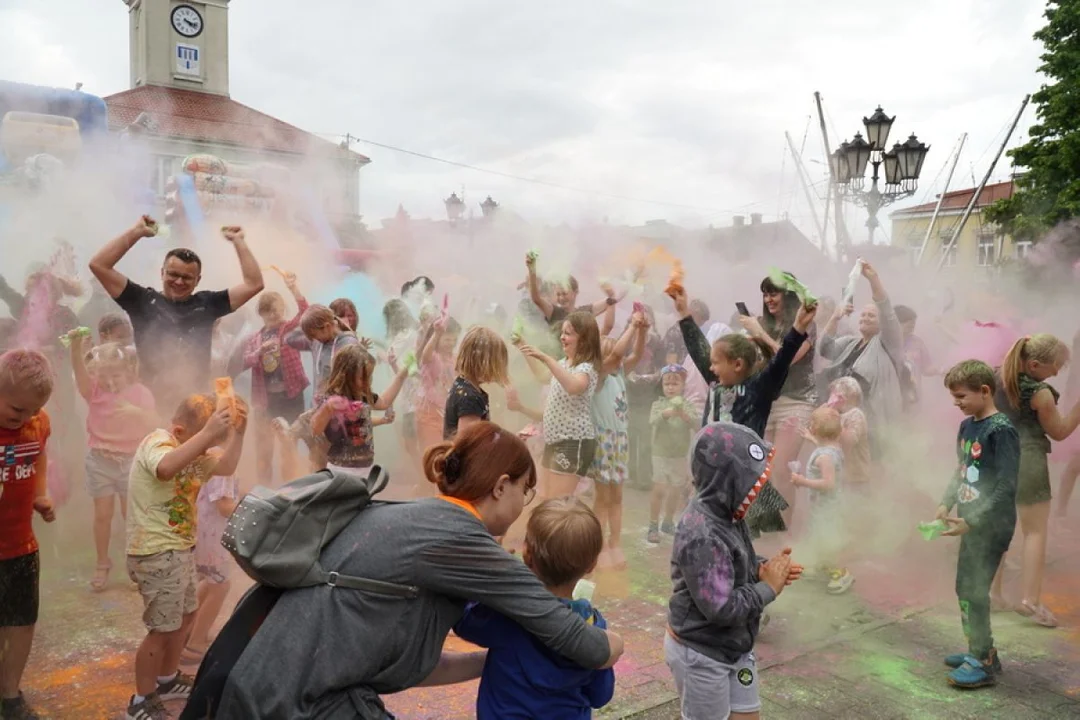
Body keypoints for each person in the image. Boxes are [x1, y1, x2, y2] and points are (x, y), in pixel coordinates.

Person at [215, 421, 622, 719]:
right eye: (524, 490)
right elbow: (587, 646)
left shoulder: (421, 516)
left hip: (263, 686)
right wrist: (614, 641)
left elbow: (412, 664)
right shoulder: (463, 539)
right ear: (501, 486)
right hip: (297, 703)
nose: (523, 504)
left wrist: (503, 659)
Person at [665, 421, 801, 720]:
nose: (759, 490)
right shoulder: (701, 534)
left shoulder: (728, 514)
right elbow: (722, 608)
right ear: (727, 481)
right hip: (701, 652)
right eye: (752, 482)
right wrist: (767, 589)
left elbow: (734, 563)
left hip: (733, 646)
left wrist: (763, 569)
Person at [125, 395, 247, 720]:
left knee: (186, 617)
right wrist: (206, 435)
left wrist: (239, 433)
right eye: (203, 442)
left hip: (179, 551)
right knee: (162, 628)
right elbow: (165, 469)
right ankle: (140, 699)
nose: (206, 453)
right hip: (153, 552)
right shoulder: (158, 441)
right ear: (180, 430)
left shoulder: (196, 453)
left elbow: (227, 466)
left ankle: (166, 679)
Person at [671, 285, 816, 536]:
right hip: (711, 476)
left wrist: (799, 328)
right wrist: (684, 312)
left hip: (742, 481)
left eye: (716, 363)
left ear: (737, 364)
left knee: (738, 535)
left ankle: (744, 566)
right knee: (706, 529)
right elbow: (698, 348)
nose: (711, 368)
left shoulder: (758, 390)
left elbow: (780, 362)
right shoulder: (717, 383)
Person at [453, 496, 614, 719]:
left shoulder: (508, 612)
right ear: (591, 565)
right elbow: (600, 695)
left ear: (527, 554)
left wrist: (487, 571)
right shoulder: (594, 628)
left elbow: (463, 621)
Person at [88, 217, 264, 411]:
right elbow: (99, 265)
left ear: (198, 280)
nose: (179, 282)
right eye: (173, 274)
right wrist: (136, 232)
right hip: (149, 404)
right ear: (162, 273)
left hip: (195, 405)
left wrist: (239, 242)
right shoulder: (142, 301)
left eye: (187, 277)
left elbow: (253, 284)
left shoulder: (208, 304)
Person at [935, 360, 1020, 688]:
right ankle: (980, 649)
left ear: (985, 391)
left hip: (991, 525)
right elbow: (961, 470)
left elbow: (1006, 486)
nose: (956, 403)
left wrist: (972, 519)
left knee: (974, 590)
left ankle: (983, 663)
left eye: (961, 396)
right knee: (964, 588)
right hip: (970, 522)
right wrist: (946, 501)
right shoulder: (967, 426)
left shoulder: (1002, 430)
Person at [994, 334, 1080, 627]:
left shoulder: (996, 378)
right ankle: (1030, 599)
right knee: (1034, 532)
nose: (1057, 373)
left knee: (999, 528)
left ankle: (993, 594)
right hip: (1027, 460)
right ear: (1033, 364)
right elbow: (1059, 430)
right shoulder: (1039, 393)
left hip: (995, 458)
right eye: (1055, 367)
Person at [68, 333, 156, 592]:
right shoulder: (93, 391)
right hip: (100, 462)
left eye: (115, 376)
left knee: (132, 516)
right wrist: (75, 348)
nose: (109, 382)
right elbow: (78, 370)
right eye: (103, 377)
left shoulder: (140, 393)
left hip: (131, 462)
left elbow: (155, 421)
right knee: (103, 515)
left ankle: (135, 564)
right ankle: (102, 562)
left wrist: (136, 412)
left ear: (128, 371)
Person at [0, 350, 56, 720]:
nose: (26, 419)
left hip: (21, 546)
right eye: (16, 411)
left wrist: (39, 495)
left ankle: (10, 695)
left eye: (33, 411)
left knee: (21, 622)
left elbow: (38, 457)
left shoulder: (38, 423)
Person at [739, 274, 817, 525]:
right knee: (762, 470)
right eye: (765, 294)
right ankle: (765, 527)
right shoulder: (763, 322)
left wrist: (760, 333)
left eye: (774, 293)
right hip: (767, 403)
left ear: (788, 295)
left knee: (781, 469)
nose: (769, 299)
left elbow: (788, 359)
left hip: (797, 401)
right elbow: (762, 364)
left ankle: (784, 530)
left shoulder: (805, 323)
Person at [518, 311, 603, 499]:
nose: (562, 337)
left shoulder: (586, 367)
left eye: (568, 333)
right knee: (546, 497)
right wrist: (523, 348)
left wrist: (546, 359)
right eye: (562, 333)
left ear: (585, 338)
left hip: (573, 442)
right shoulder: (564, 363)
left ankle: (570, 528)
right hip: (554, 440)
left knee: (558, 501)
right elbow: (542, 376)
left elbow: (574, 387)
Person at [589, 310, 648, 569]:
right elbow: (618, 355)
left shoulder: (618, 374)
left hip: (620, 440)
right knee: (602, 497)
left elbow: (634, 355)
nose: (617, 359)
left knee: (617, 496)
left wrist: (643, 331)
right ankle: (598, 546)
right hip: (603, 440)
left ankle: (615, 543)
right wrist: (632, 326)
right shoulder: (597, 377)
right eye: (611, 355)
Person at [818, 261, 905, 426]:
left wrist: (874, 280)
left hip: (872, 419)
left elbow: (886, 311)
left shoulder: (888, 343)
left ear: (882, 323)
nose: (864, 317)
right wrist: (835, 317)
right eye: (863, 314)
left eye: (871, 316)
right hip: (840, 415)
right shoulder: (850, 342)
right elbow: (825, 349)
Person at [241, 275, 309, 482]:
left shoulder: (288, 329)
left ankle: (291, 485)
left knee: (290, 443)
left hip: (291, 395)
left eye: (277, 309)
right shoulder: (255, 338)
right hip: (265, 400)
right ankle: (264, 490)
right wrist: (260, 351)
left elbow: (306, 312)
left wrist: (294, 288)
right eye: (269, 310)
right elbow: (245, 361)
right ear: (261, 313)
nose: (274, 314)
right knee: (264, 448)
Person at [309, 345, 408, 476]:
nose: (367, 383)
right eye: (363, 378)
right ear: (346, 374)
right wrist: (327, 408)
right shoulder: (332, 399)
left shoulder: (363, 395)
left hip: (366, 466)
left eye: (370, 377)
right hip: (341, 468)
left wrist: (400, 378)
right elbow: (315, 429)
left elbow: (383, 403)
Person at [791, 406, 852, 594]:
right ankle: (822, 566)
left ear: (815, 428)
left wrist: (803, 481)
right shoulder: (832, 448)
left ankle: (841, 574)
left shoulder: (825, 457)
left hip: (828, 507)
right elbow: (824, 446)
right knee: (819, 535)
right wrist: (812, 439)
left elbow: (828, 483)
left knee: (828, 539)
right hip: (826, 506)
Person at [182, 471, 241, 664]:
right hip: (213, 536)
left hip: (204, 532)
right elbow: (224, 506)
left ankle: (189, 629)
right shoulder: (224, 464)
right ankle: (195, 644)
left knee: (211, 582)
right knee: (221, 586)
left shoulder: (211, 455)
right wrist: (254, 510)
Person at [647, 365, 695, 544]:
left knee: (675, 490)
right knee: (659, 489)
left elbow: (696, 425)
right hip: (660, 454)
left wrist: (683, 415)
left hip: (679, 455)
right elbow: (652, 421)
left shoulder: (688, 406)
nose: (670, 387)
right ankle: (653, 525)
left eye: (675, 384)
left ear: (683, 385)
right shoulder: (658, 405)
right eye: (666, 384)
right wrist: (664, 415)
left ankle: (667, 522)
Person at [443, 326, 510, 440]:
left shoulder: (462, 385)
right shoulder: (470, 397)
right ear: (483, 362)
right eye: (497, 363)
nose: (499, 369)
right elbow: (468, 444)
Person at [414, 315, 461, 453]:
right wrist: (437, 333)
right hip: (429, 414)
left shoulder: (454, 357)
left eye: (454, 340)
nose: (451, 343)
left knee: (449, 453)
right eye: (447, 339)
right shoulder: (432, 356)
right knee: (434, 453)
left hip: (449, 414)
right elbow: (425, 355)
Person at [826, 377, 872, 488]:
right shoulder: (837, 414)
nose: (830, 398)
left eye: (835, 395)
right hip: (840, 479)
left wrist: (834, 418)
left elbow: (848, 441)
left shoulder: (856, 415)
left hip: (857, 479)